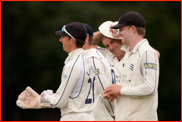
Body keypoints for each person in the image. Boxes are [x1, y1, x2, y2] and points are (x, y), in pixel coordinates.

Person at [16, 22, 96, 121]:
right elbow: (74, 96)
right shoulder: (88, 61)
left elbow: (59, 102)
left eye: (63, 37)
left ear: (72, 40)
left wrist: (44, 97)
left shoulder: (73, 64)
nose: (60, 40)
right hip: (88, 116)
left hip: (74, 117)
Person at [103, 11, 160, 121]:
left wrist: (120, 90)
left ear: (132, 29)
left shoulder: (147, 52)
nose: (118, 34)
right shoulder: (128, 53)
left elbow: (150, 88)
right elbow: (129, 86)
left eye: (121, 29)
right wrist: (115, 93)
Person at [82, 23, 115, 121]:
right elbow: (90, 43)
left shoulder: (130, 53)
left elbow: (156, 54)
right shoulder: (105, 53)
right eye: (108, 45)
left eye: (113, 42)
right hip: (109, 110)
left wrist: (120, 33)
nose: (111, 47)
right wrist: (106, 31)